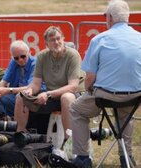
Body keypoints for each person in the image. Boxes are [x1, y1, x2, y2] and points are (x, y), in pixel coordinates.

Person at [70, 0, 141, 167]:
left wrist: (88, 91)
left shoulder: (99, 39)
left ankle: (82, 158)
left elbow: (89, 78)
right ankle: (127, 157)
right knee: (126, 115)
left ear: (109, 18)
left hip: (106, 95)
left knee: (76, 109)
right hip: (136, 95)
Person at [14, 26, 84, 139]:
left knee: (66, 97)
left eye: (58, 38)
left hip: (73, 95)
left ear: (63, 39)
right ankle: (20, 136)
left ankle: (69, 141)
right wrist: (29, 91)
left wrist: (48, 94)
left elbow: (73, 86)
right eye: (52, 40)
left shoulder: (73, 55)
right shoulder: (42, 56)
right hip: (51, 96)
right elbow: (36, 84)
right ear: (46, 43)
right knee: (20, 97)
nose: (56, 42)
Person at [0, 40, 36, 117]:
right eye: (16, 58)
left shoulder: (35, 64)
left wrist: (8, 90)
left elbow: (31, 88)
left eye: (23, 56)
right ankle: (3, 121)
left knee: (15, 97)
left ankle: (8, 120)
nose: (20, 60)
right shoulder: (13, 62)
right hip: (15, 95)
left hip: (31, 97)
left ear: (29, 53)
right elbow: (4, 82)